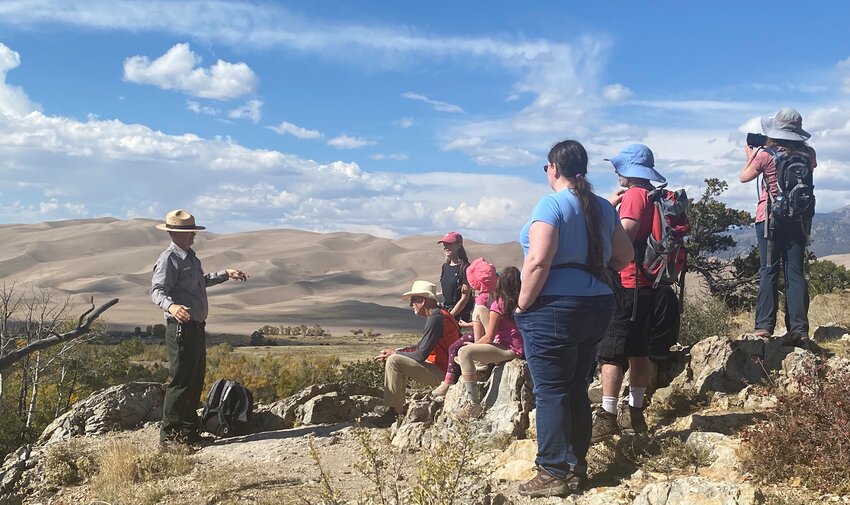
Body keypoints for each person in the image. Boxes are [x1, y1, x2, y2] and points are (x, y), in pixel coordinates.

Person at [514, 140, 633, 497]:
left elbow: (538, 261)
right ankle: (576, 466)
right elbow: (624, 256)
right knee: (576, 387)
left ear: (553, 168)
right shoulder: (602, 207)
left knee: (550, 390)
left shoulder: (550, 205)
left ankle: (552, 471)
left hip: (554, 308)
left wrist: (521, 305)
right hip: (598, 303)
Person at [591, 144, 679, 441]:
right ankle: (635, 412)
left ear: (629, 171)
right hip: (650, 284)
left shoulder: (633, 197)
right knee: (639, 351)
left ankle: (607, 415)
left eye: (619, 168)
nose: (616, 172)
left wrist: (609, 216)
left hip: (628, 283)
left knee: (612, 352)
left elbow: (625, 236)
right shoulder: (654, 196)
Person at [150, 209, 249, 447]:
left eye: (193, 231)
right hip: (180, 329)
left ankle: (188, 431)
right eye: (189, 231)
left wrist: (225, 274)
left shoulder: (191, 257)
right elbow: (156, 291)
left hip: (195, 327)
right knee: (181, 380)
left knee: (195, 379)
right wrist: (171, 307)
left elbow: (200, 282)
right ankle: (170, 436)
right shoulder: (168, 259)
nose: (193, 235)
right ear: (176, 233)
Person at [739, 108, 816, 346]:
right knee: (795, 272)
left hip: (769, 220)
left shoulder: (765, 154)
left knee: (769, 270)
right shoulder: (808, 153)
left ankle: (764, 327)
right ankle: (799, 330)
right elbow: (811, 170)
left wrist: (750, 155)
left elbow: (744, 177)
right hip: (799, 220)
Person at [371, 280, 460, 426]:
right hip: (449, 372)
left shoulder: (436, 319)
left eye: (413, 301)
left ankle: (393, 411)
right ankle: (395, 406)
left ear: (422, 301)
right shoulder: (440, 315)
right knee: (396, 357)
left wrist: (394, 354)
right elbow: (421, 347)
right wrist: (398, 351)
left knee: (394, 362)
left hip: (445, 375)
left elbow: (420, 355)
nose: (411, 305)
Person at [454, 266, 525, 418]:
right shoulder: (524, 301)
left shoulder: (499, 304)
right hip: (522, 348)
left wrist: (475, 345)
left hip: (508, 349)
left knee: (463, 352)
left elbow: (490, 337)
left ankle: (473, 404)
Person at [437, 232, 473, 323]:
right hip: (446, 313)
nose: (445, 247)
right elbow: (444, 292)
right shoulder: (445, 267)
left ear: (459, 245)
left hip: (459, 318)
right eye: (444, 244)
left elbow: (465, 298)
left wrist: (450, 316)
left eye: (449, 244)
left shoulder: (465, 268)